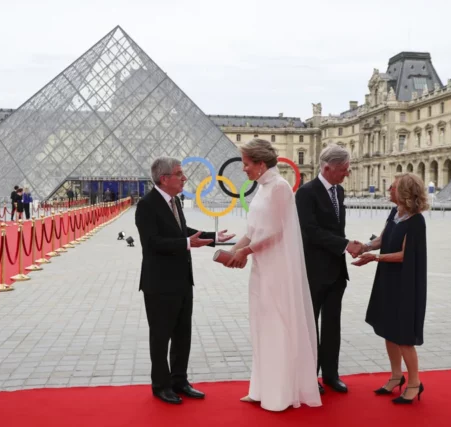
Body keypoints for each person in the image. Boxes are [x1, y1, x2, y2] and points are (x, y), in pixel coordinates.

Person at [225, 138, 321, 412]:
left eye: (246, 164)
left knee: (277, 326)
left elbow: (276, 232)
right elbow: (253, 231)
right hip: (262, 265)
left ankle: (280, 393)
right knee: (262, 326)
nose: (243, 168)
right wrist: (233, 251)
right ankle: (261, 388)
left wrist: (246, 251)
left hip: (277, 268)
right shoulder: (263, 187)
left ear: (260, 163)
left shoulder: (279, 187)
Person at [135, 157, 235, 405]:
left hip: (182, 280)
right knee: (161, 337)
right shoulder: (147, 205)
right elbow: (152, 243)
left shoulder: (175, 201)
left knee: (182, 334)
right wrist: (187, 243)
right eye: (179, 174)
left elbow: (182, 231)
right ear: (164, 178)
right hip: (159, 284)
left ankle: (180, 380)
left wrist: (214, 237)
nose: (184, 178)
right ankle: (161, 385)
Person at [352, 173, 428, 404]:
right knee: (388, 329)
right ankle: (396, 376)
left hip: (405, 281)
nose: (388, 191)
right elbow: (382, 240)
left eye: (393, 188)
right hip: (388, 278)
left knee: (403, 335)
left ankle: (414, 382)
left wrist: (376, 258)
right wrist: (364, 247)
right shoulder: (395, 213)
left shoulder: (415, 221)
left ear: (404, 192)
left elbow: (405, 255)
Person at [294, 144, 361, 394]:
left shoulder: (339, 191)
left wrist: (347, 245)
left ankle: (331, 375)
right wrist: (345, 245)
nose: (347, 173)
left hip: (336, 271)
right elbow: (310, 231)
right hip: (313, 271)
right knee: (310, 327)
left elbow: (335, 228)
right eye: (344, 169)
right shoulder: (306, 193)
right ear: (327, 168)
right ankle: (309, 376)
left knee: (333, 325)